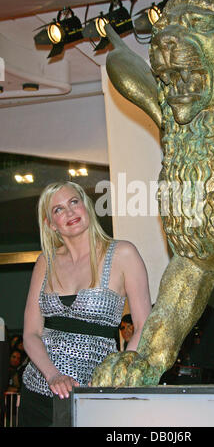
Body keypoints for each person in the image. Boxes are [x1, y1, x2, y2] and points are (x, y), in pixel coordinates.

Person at [18, 181, 151, 427]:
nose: (69, 213)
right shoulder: (45, 262)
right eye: (58, 210)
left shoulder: (123, 253)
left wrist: (114, 375)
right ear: (50, 224)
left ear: (86, 206)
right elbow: (31, 333)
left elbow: (144, 327)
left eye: (73, 202)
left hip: (95, 392)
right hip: (38, 390)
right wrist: (53, 375)